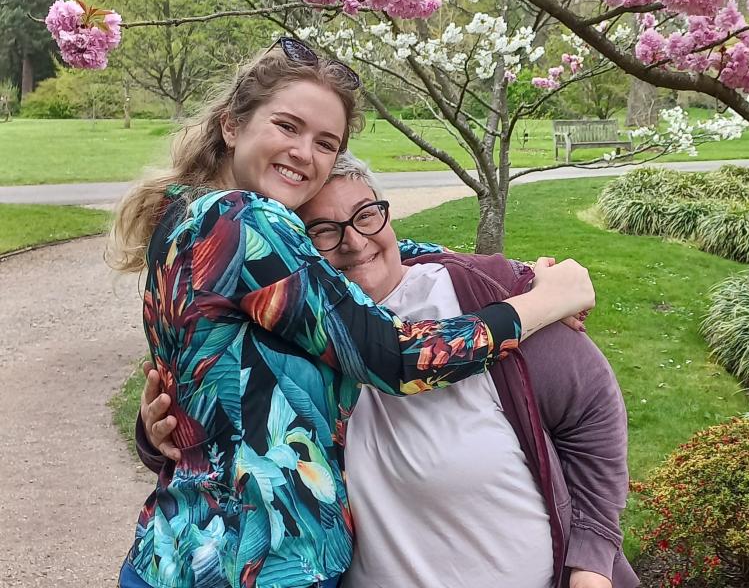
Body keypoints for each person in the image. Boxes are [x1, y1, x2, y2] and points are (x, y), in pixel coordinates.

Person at [110, 37, 595, 588]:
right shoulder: (242, 219)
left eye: (325, 142)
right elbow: (394, 356)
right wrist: (540, 302)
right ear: (231, 125)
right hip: (245, 569)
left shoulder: (187, 214)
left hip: (181, 551)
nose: (304, 153)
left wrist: (515, 272)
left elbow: (356, 256)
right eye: (287, 126)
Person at [138, 153, 640, 588]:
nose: (354, 242)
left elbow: (591, 411)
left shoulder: (486, 293)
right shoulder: (282, 333)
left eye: (367, 216)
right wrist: (156, 429)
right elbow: (229, 431)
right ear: (297, 252)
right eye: (324, 231)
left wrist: (592, 560)